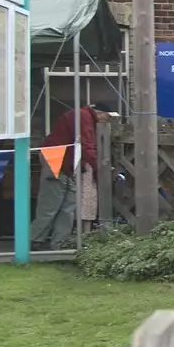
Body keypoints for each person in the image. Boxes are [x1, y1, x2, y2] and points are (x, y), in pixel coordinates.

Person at [31, 101, 116, 250]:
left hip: (65, 162)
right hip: (57, 159)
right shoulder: (84, 118)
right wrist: (99, 166)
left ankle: (59, 243)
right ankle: (35, 240)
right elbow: (86, 144)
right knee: (51, 205)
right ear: (99, 113)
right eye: (107, 117)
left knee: (68, 206)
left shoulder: (82, 116)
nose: (106, 120)